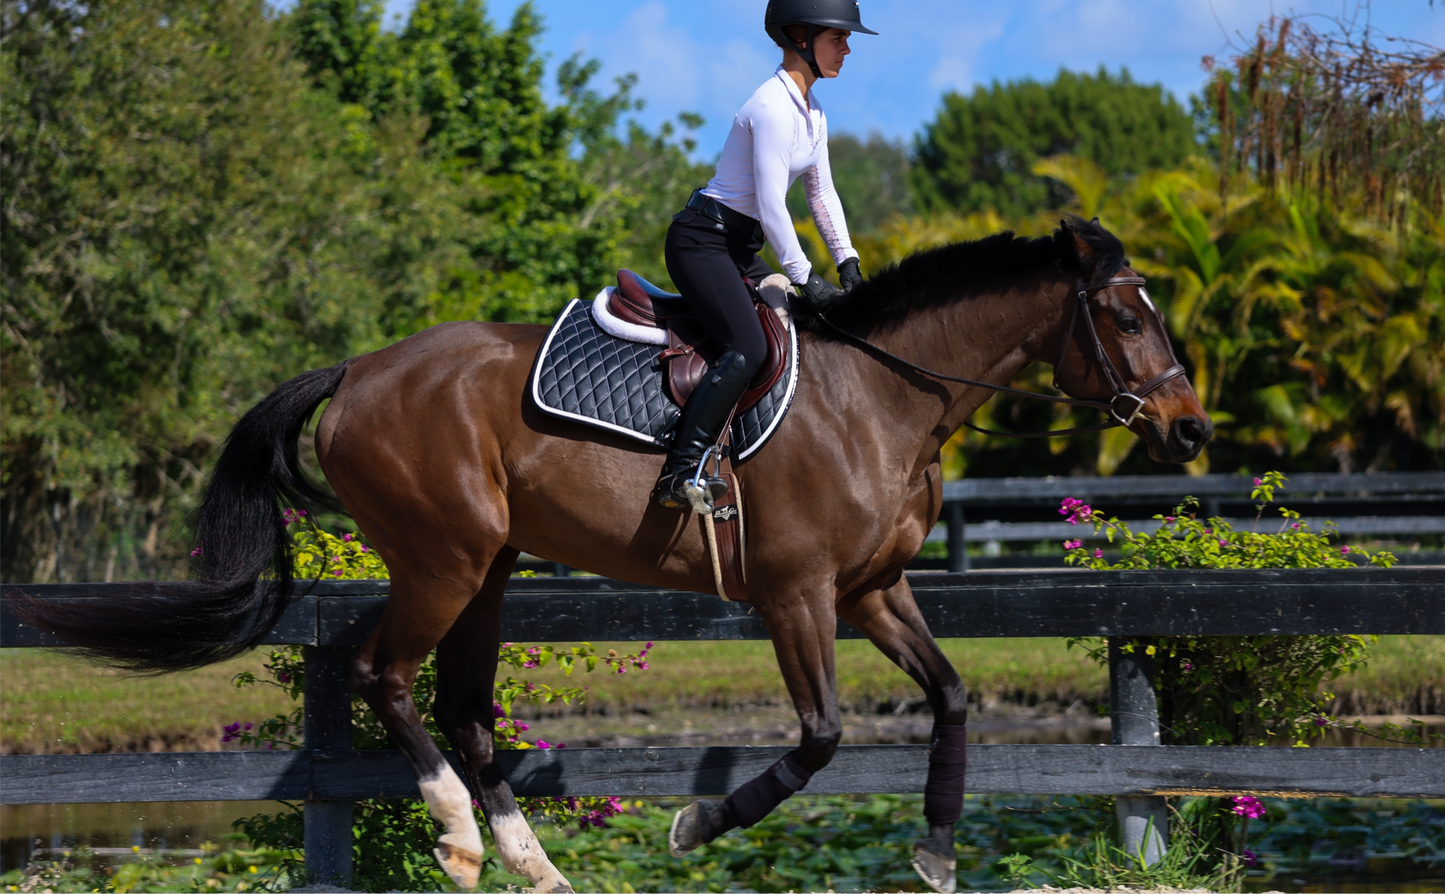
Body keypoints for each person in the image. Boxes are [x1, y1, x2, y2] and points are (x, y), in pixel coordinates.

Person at [653, 0, 876, 510]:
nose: (846, 48)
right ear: (800, 37)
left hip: (738, 246)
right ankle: (679, 471)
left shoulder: (812, 111)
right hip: (701, 242)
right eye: (837, 38)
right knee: (748, 348)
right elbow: (774, 204)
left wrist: (847, 262)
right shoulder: (772, 108)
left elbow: (821, 194)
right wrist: (803, 276)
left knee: (796, 331)